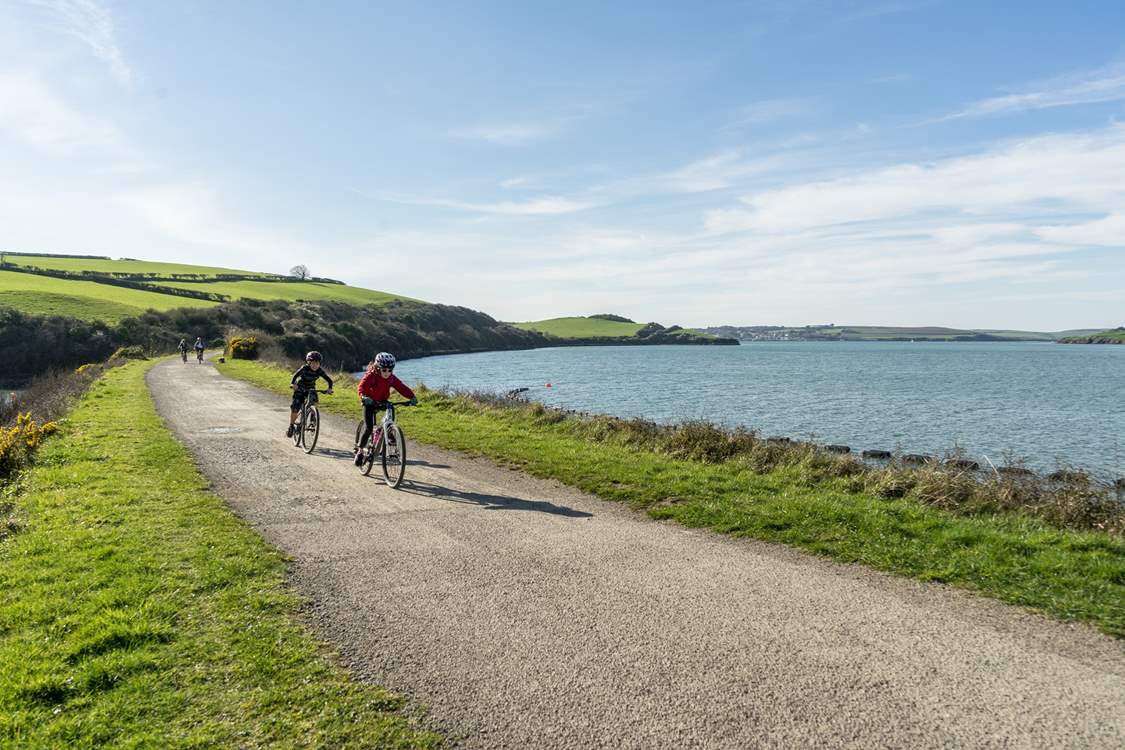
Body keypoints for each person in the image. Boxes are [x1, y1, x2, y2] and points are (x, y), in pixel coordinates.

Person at [354, 351, 416, 465]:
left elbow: (401, 387)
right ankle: (360, 451)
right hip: (369, 402)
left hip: (382, 401)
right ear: (377, 368)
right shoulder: (371, 376)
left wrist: (412, 396)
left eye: (390, 370)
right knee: (368, 428)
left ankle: (389, 430)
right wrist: (363, 397)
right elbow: (361, 387)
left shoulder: (391, 378)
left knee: (391, 408)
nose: (387, 373)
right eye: (384, 370)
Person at [288, 351, 333, 437]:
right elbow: (295, 375)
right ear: (309, 362)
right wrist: (293, 384)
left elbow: (329, 380)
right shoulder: (304, 368)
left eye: (317, 363)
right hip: (300, 388)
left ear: (319, 364)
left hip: (311, 389)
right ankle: (291, 426)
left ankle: (312, 420)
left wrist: (329, 389)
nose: (315, 365)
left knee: (315, 403)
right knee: (295, 407)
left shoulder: (319, 371)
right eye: (313, 363)